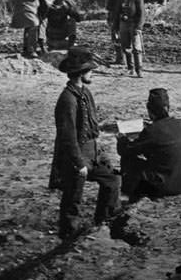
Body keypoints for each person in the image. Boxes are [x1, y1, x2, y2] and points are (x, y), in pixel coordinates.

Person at [49, 47, 121, 240]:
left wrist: (111, 127)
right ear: (81, 73)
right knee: (73, 198)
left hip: (93, 151)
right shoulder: (67, 100)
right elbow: (67, 135)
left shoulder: (85, 93)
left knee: (112, 180)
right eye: (90, 70)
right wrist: (78, 163)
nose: (93, 73)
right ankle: (68, 236)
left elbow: (90, 123)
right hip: (77, 155)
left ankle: (102, 221)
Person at [115, 88, 181, 202]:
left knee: (128, 160)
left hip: (167, 186)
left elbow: (125, 150)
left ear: (150, 111)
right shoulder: (179, 125)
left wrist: (122, 139)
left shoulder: (152, 131)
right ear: (167, 107)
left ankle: (126, 197)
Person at [116, 0, 145, 76]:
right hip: (123, 24)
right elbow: (117, 12)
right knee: (126, 47)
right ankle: (130, 68)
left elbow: (141, 13)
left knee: (137, 48)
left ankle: (139, 70)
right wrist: (115, 27)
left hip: (134, 24)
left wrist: (139, 27)